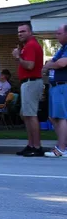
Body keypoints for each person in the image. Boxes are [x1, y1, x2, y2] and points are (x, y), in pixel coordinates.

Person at [13, 22, 45, 157]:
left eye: (23, 31)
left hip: (31, 82)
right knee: (25, 114)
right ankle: (31, 145)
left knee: (31, 115)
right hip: (28, 83)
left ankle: (37, 147)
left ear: (30, 32)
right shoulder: (28, 46)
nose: (20, 33)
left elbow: (30, 65)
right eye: (19, 31)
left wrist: (18, 57)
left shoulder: (31, 45)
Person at [43, 24, 67, 158]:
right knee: (53, 117)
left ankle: (62, 148)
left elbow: (61, 63)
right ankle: (63, 145)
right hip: (56, 86)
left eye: (59, 33)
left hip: (63, 85)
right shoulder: (62, 48)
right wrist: (51, 64)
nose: (56, 35)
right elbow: (53, 61)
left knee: (61, 117)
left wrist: (49, 65)